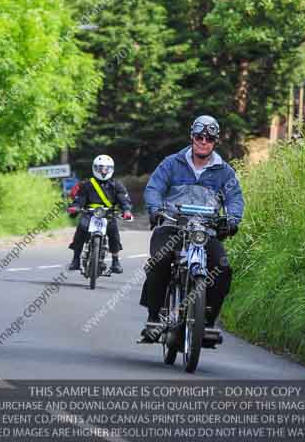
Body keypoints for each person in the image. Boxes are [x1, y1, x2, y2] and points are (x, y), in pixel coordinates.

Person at [139, 115, 244, 342]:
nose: (203, 141)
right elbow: (154, 188)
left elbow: (235, 198)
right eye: (199, 137)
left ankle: (207, 322)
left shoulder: (225, 172)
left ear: (215, 141)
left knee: (222, 269)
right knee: (160, 260)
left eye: (208, 138)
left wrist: (232, 219)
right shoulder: (171, 163)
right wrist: (156, 208)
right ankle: (154, 317)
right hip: (172, 226)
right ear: (192, 137)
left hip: (205, 231)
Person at [67, 154, 133, 274]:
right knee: (81, 228)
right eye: (100, 168)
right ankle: (75, 259)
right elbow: (80, 198)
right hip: (89, 213)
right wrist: (75, 207)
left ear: (111, 169)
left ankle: (115, 261)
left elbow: (124, 199)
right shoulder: (87, 184)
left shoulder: (116, 184)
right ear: (94, 168)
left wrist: (126, 210)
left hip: (108, 214)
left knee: (114, 233)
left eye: (106, 168)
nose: (103, 171)